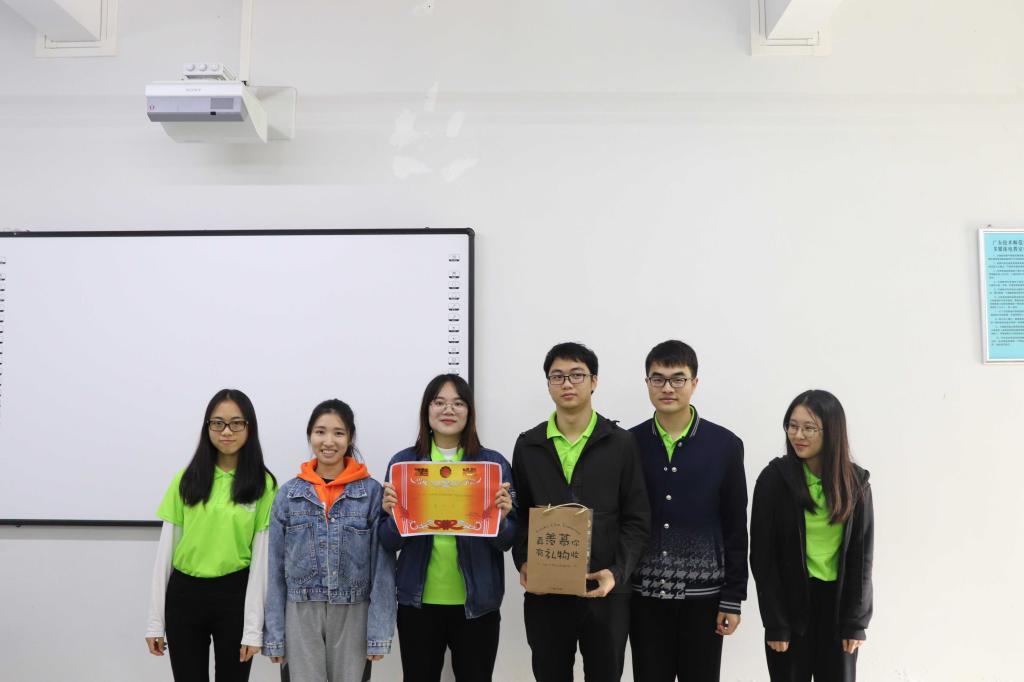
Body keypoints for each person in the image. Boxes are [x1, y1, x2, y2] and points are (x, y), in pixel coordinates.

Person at [512, 342, 650, 682]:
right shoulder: (529, 444)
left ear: (594, 381)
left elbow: (637, 519)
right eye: (557, 376)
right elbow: (519, 515)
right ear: (548, 384)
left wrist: (616, 572)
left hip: (605, 592)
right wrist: (524, 561)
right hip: (547, 594)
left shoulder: (620, 442)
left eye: (577, 375)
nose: (567, 384)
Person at [379, 373, 516, 682]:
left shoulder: (492, 465)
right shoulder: (404, 464)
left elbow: (507, 541)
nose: (448, 410)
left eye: (458, 403)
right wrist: (393, 514)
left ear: (469, 412)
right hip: (417, 602)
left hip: (478, 603)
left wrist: (503, 517)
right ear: (427, 410)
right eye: (439, 402)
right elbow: (388, 541)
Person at [628, 340, 748, 682]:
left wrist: (733, 598)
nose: (667, 388)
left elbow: (735, 526)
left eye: (678, 379)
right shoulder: (628, 443)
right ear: (647, 383)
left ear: (694, 383)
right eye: (658, 379)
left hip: (704, 599)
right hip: (644, 597)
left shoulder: (724, 445)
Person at [145, 388, 278, 682]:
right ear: (207, 427)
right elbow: (165, 554)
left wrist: (253, 629)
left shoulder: (263, 485)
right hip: (184, 596)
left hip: (234, 596)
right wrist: (155, 622)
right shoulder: (186, 479)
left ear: (249, 427)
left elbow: (262, 562)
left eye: (236, 423)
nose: (226, 431)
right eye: (217, 423)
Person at [263, 399, 397, 682]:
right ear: (310, 435)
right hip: (300, 611)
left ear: (349, 438)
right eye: (320, 432)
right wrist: (275, 634)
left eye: (338, 433)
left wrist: (378, 632)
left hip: (354, 610)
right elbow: (274, 569)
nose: (328, 441)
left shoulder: (371, 493)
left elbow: (382, 569)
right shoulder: (288, 494)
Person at [750, 390, 874, 682]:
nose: (798, 435)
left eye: (809, 428)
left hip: (837, 610)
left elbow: (862, 557)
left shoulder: (855, 483)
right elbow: (763, 558)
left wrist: (855, 622)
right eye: (792, 426)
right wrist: (775, 623)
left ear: (832, 432)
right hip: (791, 610)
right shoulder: (774, 479)